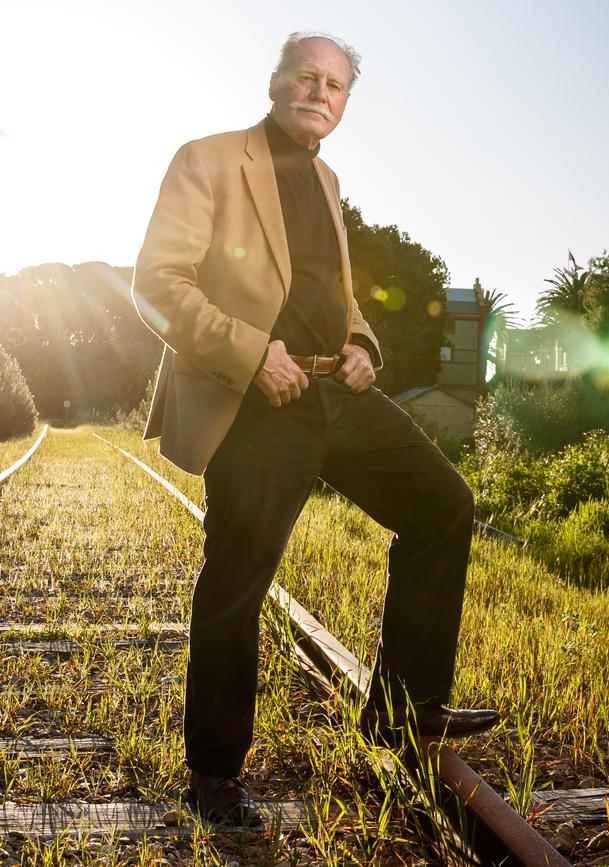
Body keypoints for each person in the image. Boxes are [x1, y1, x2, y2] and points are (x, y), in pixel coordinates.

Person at [131, 32, 499, 826]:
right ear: (276, 81)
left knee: (444, 506)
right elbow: (156, 283)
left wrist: (363, 344)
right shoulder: (209, 157)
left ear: (343, 102)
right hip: (255, 394)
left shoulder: (327, 178)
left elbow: (336, 293)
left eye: (335, 85)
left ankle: (404, 709)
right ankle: (215, 771)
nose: (320, 93)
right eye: (308, 76)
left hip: (336, 388)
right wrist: (252, 354)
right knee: (238, 579)